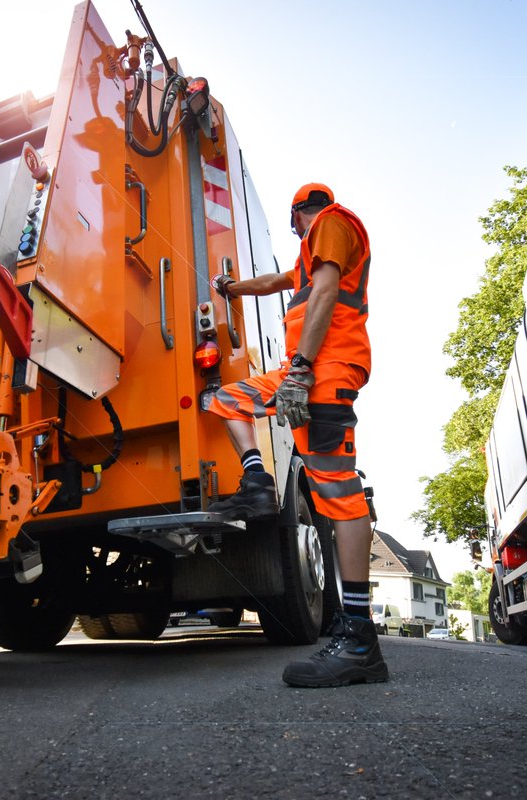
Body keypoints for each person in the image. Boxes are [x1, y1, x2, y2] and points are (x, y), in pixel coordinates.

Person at [207, 183, 387, 688]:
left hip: (323, 370)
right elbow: (275, 282)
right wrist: (232, 290)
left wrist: (302, 369)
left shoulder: (332, 221)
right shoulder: (313, 251)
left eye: (294, 225)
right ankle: (257, 479)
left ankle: (359, 639)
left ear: (301, 214)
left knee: (338, 493)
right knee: (224, 399)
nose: (296, 234)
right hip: (302, 370)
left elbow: (326, 294)